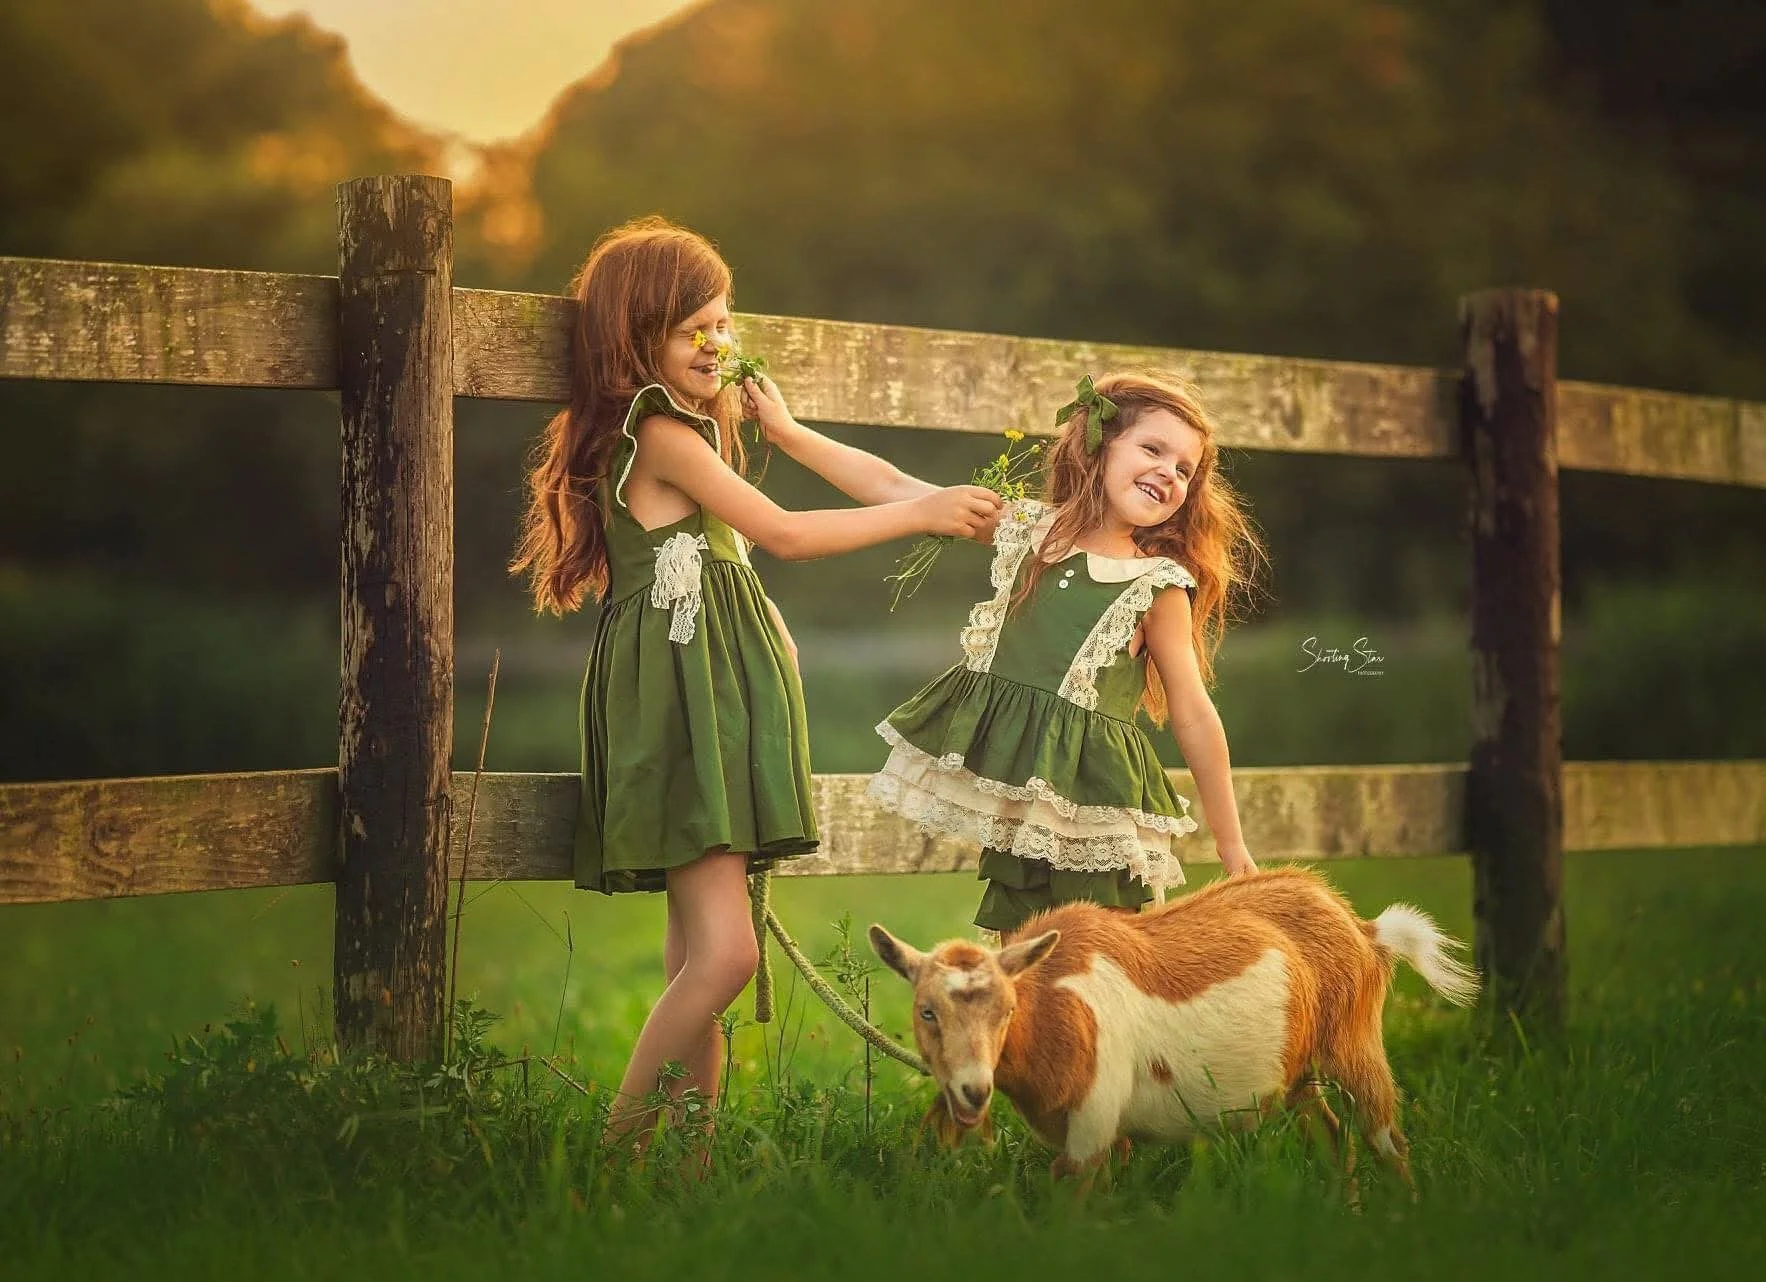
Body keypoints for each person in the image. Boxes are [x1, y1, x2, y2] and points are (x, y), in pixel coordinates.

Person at [510, 217, 1001, 1147]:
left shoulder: (689, 434)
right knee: (726, 957)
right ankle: (614, 1153)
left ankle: (685, 1168)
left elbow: (770, 537)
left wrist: (799, 442)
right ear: (635, 333)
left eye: (724, 324)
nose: (716, 344)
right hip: (681, 711)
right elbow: (783, 534)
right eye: (693, 326)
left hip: (717, 705)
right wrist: (923, 515)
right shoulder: (658, 434)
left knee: (697, 955)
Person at [853, 369, 1269, 932]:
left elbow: (1193, 712)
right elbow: (896, 488)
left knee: (1097, 977)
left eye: (1184, 470)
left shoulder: (1157, 585)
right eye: (1153, 449)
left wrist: (1231, 844)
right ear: (1099, 445)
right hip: (1021, 804)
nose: (1168, 474)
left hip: (1096, 809)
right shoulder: (1030, 533)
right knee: (1021, 979)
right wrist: (785, 431)